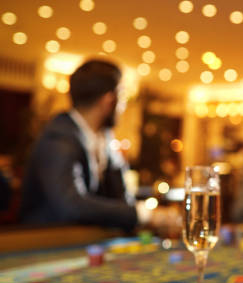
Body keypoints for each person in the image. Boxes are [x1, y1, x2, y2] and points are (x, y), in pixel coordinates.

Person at [20, 59, 173, 231]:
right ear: (109, 100)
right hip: (44, 245)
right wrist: (143, 214)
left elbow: (121, 199)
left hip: (86, 240)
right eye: (123, 96)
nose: (124, 106)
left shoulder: (103, 138)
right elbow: (71, 206)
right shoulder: (58, 138)